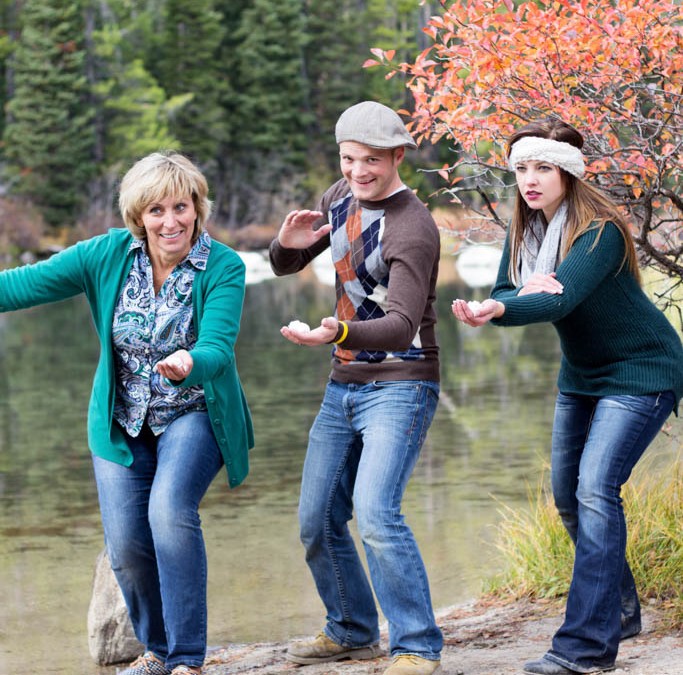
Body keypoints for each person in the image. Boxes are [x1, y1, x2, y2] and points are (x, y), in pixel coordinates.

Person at [0, 152, 254, 675]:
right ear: (138, 216)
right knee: (127, 546)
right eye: (156, 210)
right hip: (122, 420)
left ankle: (187, 659)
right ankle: (157, 650)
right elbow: (23, 285)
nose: (170, 221)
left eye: (180, 207)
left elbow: (219, 347)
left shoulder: (223, 265)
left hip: (194, 410)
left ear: (197, 207)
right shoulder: (106, 255)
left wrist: (191, 360)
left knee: (168, 513)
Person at [452, 118, 683, 675]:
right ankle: (620, 611)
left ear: (568, 173)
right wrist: (503, 301)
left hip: (643, 368)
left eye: (543, 168)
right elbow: (511, 291)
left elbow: (557, 301)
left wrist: (506, 305)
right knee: (567, 496)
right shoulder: (528, 232)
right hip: (582, 375)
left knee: (596, 489)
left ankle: (584, 648)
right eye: (522, 169)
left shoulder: (598, 231)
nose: (529, 180)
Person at [269, 101, 443, 675]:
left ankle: (417, 646)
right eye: (348, 159)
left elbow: (400, 325)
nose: (358, 171)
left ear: (397, 156)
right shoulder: (336, 198)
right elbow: (287, 266)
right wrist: (288, 242)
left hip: (401, 382)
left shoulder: (413, 227)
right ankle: (351, 629)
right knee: (315, 518)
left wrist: (337, 330)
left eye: (372, 160)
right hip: (344, 380)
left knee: (376, 513)